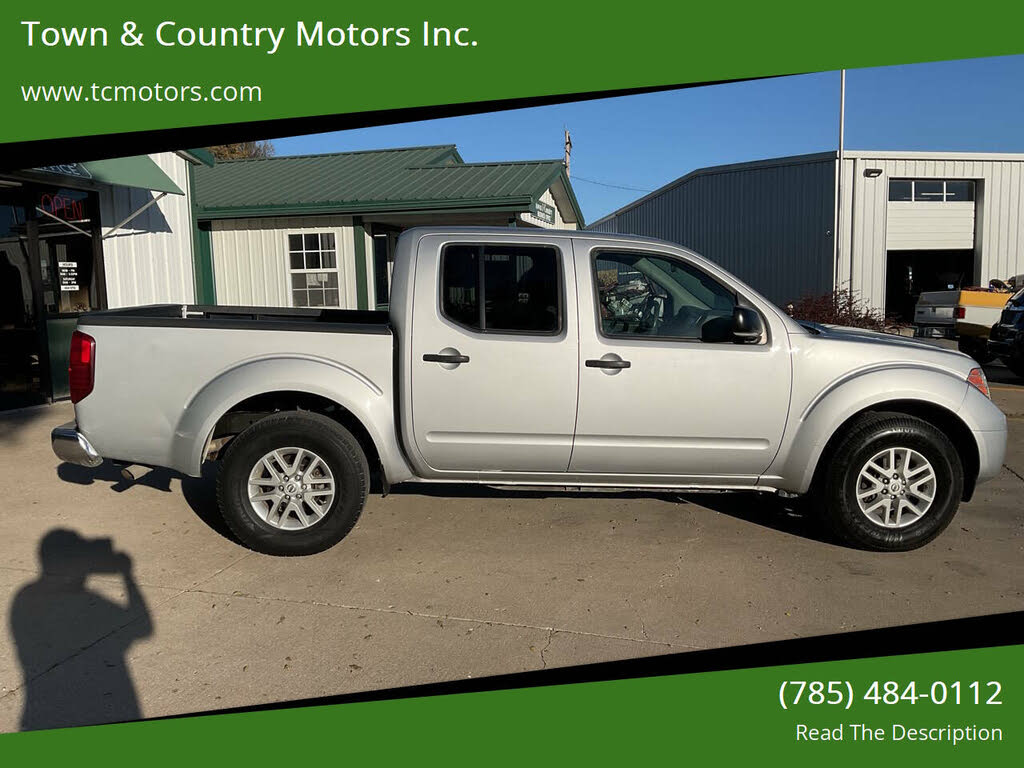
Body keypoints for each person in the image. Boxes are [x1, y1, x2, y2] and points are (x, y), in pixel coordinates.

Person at [9, 529, 153, 730]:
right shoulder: (83, 599)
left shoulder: (24, 596)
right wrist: (127, 576)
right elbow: (143, 628)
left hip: (41, 715)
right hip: (102, 711)